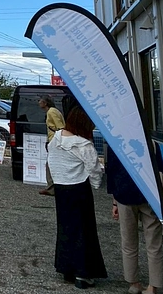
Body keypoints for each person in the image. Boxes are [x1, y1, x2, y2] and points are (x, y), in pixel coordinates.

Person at [48, 106, 106, 290]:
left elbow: (51, 161)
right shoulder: (83, 144)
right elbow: (94, 168)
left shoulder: (55, 139)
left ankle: (67, 268)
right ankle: (83, 273)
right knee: (84, 230)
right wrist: (96, 184)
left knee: (65, 229)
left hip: (61, 188)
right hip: (79, 188)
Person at [106, 143, 163, 294]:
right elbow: (160, 171)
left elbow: (112, 173)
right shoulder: (150, 143)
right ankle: (153, 286)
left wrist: (114, 202)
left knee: (128, 241)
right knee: (154, 244)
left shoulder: (115, 142)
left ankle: (133, 283)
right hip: (149, 197)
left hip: (124, 195)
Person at [39, 95, 65, 196]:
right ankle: (53, 187)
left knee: (50, 165)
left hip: (55, 141)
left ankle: (52, 188)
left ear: (45, 103)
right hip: (53, 140)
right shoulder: (53, 111)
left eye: (40, 100)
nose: (39, 102)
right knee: (51, 164)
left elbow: (60, 127)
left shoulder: (51, 112)